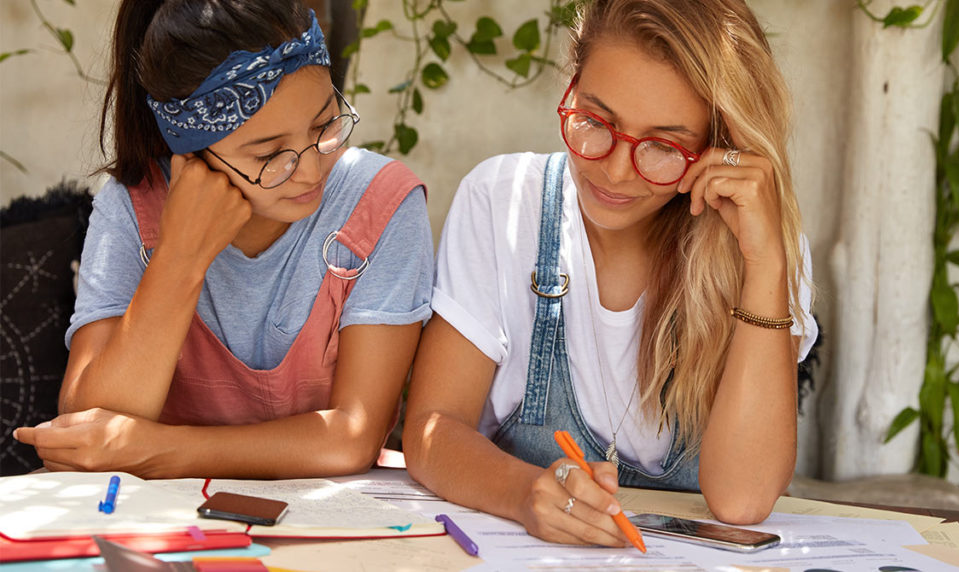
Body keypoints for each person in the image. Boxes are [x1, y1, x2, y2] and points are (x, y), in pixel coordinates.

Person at [403, 0, 818, 548]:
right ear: (570, 88)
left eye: (663, 146)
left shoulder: (765, 248)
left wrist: (763, 266)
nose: (617, 171)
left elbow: (742, 500)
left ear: (721, 147)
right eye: (596, 121)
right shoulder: (503, 204)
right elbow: (433, 430)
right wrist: (526, 493)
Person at [13, 0, 433, 479]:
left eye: (324, 125)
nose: (312, 169)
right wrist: (181, 257)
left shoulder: (382, 204)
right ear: (188, 153)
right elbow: (91, 425)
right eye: (271, 154)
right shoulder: (133, 210)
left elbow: (351, 438)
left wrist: (157, 449)